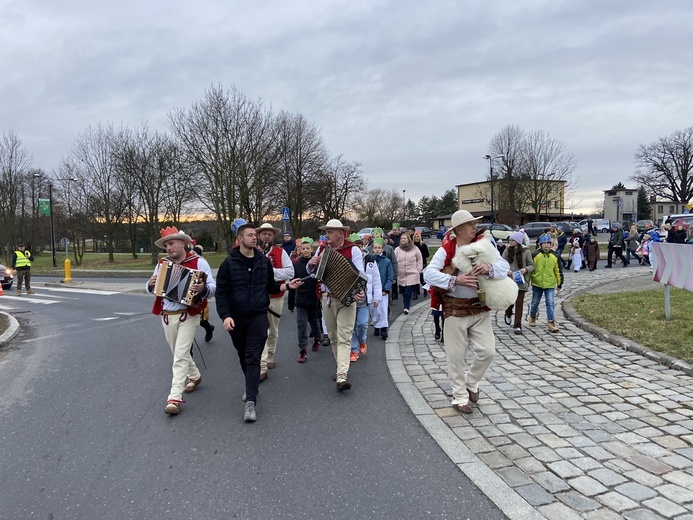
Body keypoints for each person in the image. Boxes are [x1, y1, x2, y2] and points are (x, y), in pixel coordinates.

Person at [423, 210, 510, 414]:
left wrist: (488, 268)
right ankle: (460, 396)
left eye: (474, 224)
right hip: (455, 308)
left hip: (479, 308)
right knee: (456, 357)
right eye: (470, 224)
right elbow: (427, 274)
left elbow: (504, 266)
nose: (474, 227)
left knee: (487, 352)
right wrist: (455, 280)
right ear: (459, 229)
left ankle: (471, 382)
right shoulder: (447, 250)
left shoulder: (484, 245)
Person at [215, 220, 302, 422]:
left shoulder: (263, 261)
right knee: (243, 355)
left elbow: (271, 287)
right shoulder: (228, 264)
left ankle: (251, 401)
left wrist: (288, 286)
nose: (255, 237)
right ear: (239, 239)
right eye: (250, 235)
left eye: (255, 235)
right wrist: (225, 316)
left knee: (253, 357)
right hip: (236, 319)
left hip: (258, 316)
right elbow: (222, 294)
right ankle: (250, 385)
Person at [146, 227, 216, 415]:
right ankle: (195, 376)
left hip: (189, 314)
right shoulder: (162, 264)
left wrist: (202, 289)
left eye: (172, 244)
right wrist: (150, 284)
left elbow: (212, 286)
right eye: (166, 245)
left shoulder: (198, 262)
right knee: (178, 353)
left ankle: (174, 398)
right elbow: (152, 286)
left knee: (180, 355)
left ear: (183, 243)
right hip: (167, 315)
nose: (169, 248)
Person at [307, 219, 365, 391]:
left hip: (347, 298)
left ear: (341, 233)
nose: (327, 235)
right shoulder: (321, 249)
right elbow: (312, 273)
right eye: (326, 232)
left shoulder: (353, 249)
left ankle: (342, 374)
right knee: (332, 335)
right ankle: (341, 366)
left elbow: (360, 273)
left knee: (344, 335)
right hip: (326, 297)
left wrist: (359, 289)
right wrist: (311, 264)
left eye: (331, 232)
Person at [256, 222, 295, 381]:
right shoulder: (253, 252)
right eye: (264, 233)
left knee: (272, 330)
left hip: (276, 296)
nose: (266, 236)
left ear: (273, 236)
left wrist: (269, 273)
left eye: (269, 234)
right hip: (257, 298)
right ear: (259, 235)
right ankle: (262, 365)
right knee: (259, 332)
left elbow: (290, 272)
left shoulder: (280, 252)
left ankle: (270, 355)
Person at [288, 237, 322, 363]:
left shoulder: (316, 264)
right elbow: (292, 285)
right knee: (301, 325)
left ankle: (317, 337)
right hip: (301, 300)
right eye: (303, 249)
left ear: (311, 249)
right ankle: (303, 349)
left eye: (308, 248)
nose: (306, 251)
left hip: (313, 299)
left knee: (314, 322)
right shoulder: (296, 264)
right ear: (299, 250)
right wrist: (291, 304)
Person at [349, 235, 382, 362]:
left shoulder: (370, 261)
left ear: (363, 247)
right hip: (350, 299)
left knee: (362, 324)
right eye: (354, 247)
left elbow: (376, 280)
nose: (357, 249)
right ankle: (354, 350)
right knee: (351, 326)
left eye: (359, 246)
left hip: (363, 300)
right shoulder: (347, 260)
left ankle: (362, 340)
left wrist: (376, 297)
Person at [502, 231, 534, 335]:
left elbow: (532, 265)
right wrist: (507, 271)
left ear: (518, 241)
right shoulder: (507, 251)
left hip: (521, 282)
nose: (510, 242)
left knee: (519, 304)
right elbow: (501, 263)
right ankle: (508, 312)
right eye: (510, 240)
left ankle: (517, 326)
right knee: (510, 302)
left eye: (512, 240)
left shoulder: (526, 252)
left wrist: (525, 269)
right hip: (510, 282)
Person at [528, 234, 561, 333]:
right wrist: (528, 281)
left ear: (551, 244)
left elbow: (558, 270)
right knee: (534, 302)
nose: (546, 245)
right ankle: (532, 316)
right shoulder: (535, 255)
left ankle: (551, 322)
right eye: (544, 243)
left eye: (548, 243)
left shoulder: (555, 256)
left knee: (550, 303)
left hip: (550, 283)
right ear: (540, 244)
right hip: (537, 283)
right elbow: (531, 269)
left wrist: (559, 283)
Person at [394, 232, 423, 315]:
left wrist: (418, 270)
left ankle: (406, 306)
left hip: (412, 273)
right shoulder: (397, 250)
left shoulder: (415, 249)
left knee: (408, 290)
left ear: (408, 240)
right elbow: (394, 261)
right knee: (403, 290)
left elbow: (419, 259)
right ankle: (406, 302)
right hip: (401, 274)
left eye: (404, 238)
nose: (402, 240)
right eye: (401, 238)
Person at [369, 227, 398, 306]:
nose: (376, 238)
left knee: (385, 301)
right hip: (373, 279)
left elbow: (394, 262)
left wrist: (394, 277)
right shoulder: (369, 249)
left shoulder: (388, 248)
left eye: (378, 236)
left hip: (385, 277)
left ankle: (387, 312)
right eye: (374, 237)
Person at [371, 238, 394, 340]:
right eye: (375, 248)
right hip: (373, 290)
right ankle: (377, 326)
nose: (377, 250)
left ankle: (384, 329)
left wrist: (386, 288)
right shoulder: (370, 260)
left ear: (382, 249)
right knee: (374, 310)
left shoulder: (386, 261)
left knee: (383, 309)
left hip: (383, 290)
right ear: (372, 249)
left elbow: (390, 276)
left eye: (379, 248)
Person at [193, 244, 215, 342]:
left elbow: (209, 282)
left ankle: (209, 329)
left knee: (202, 320)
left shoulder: (201, 262)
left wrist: (203, 288)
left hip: (200, 297)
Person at [412, 231, 429, 299]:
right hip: (413, 263)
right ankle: (415, 293)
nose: (416, 238)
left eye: (417, 237)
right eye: (415, 237)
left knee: (421, 278)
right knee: (414, 278)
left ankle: (425, 290)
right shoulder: (412, 246)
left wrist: (420, 255)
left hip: (422, 263)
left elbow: (427, 254)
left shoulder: (423, 245)